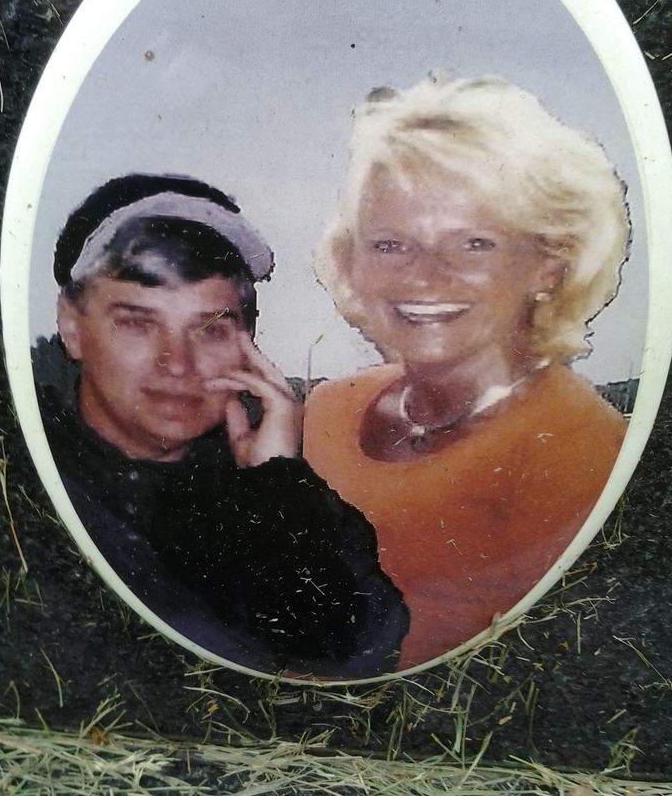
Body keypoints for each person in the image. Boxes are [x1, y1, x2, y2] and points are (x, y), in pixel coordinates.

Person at [304, 74, 631, 671]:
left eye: (474, 243)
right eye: (389, 244)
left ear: (549, 265)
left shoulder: (577, 450)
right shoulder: (326, 412)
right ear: (351, 258)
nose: (424, 277)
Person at [33, 172, 408, 679]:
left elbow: (360, 658)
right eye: (138, 322)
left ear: (248, 343)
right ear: (72, 327)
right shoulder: (22, 474)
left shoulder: (268, 487)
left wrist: (276, 484)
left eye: (211, 328)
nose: (178, 363)